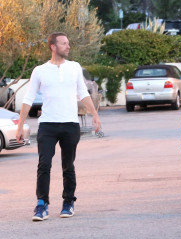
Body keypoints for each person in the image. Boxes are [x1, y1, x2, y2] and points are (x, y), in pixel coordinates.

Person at [16, 32, 101, 221]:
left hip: (70, 124)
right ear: (53, 46)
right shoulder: (40, 70)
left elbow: (82, 92)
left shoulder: (74, 67)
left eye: (68, 43)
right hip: (47, 125)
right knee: (44, 164)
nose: (68, 46)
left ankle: (68, 202)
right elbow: (28, 98)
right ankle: (41, 204)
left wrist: (95, 114)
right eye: (64, 43)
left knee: (68, 165)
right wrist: (20, 126)